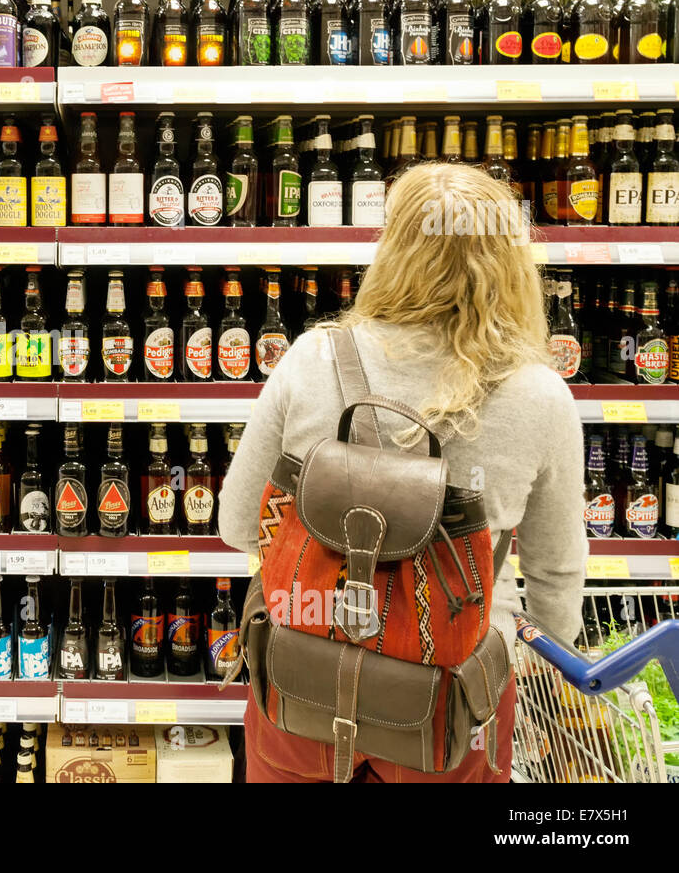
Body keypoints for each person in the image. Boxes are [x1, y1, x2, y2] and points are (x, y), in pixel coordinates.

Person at [220, 162, 587, 783]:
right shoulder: (541, 396)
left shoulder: (313, 357)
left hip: (302, 683)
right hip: (453, 704)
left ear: (393, 251)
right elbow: (555, 583)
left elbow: (235, 524)